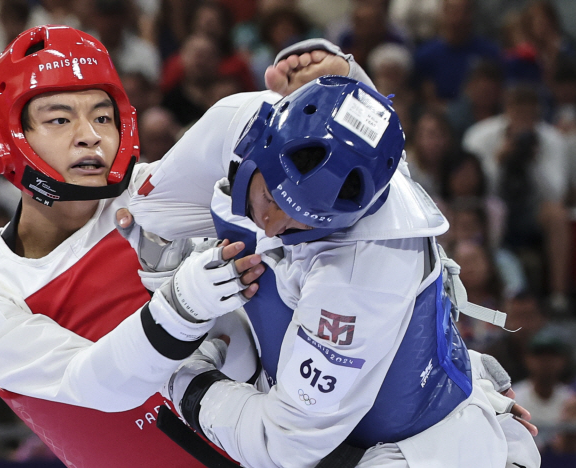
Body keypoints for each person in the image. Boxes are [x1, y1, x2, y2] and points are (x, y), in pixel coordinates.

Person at [125, 43, 540, 468]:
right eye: (269, 196)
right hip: (341, 364)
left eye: (298, 222)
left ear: (346, 218)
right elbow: (146, 206)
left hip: (412, 447)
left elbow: (283, 443)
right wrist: (344, 77)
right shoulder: (245, 120)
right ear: (260, 138)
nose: (270, 223)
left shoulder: (359, 276)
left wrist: (184, 381)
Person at [0, 25, 264, 467]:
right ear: (7, 138)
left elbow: (234, 125)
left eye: (102, 116)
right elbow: (97, 386)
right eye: (59, 118)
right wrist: (183, 306)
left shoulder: (152, 196)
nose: (89, 135)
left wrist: (318, 90)